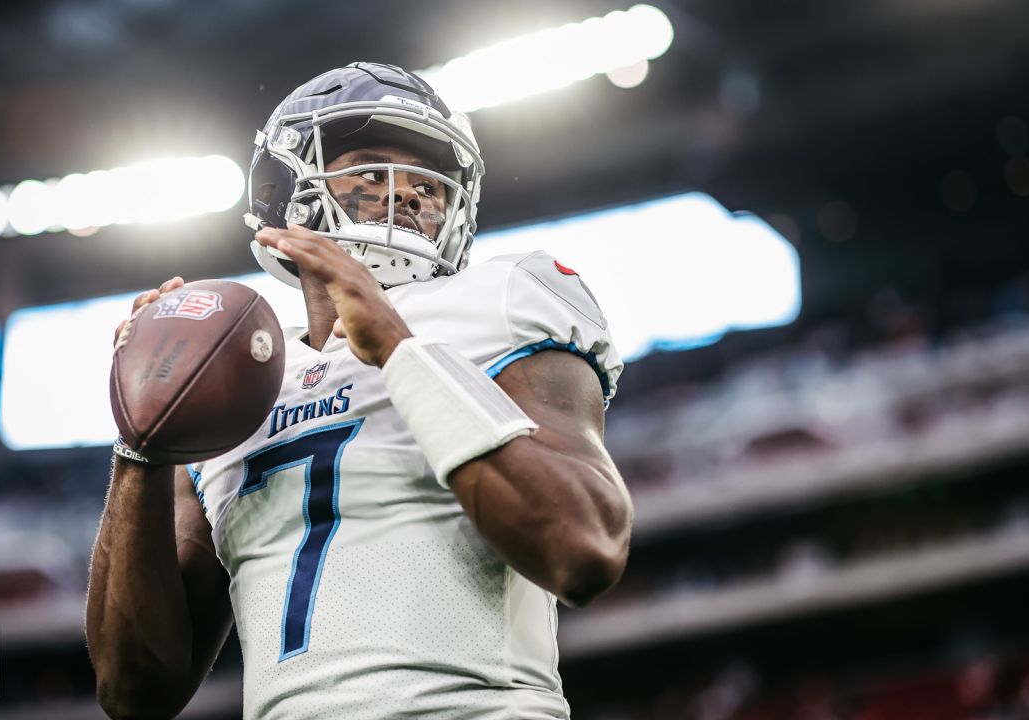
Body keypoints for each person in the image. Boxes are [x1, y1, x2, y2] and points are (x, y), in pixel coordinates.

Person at [86, 61, 633, 719]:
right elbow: (132, 693)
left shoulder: (499, 298)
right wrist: (139, 440)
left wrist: (401, 351)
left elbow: (585, 550)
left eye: (430, 185)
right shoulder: (231, 374)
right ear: (286, 192)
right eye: (371, 173)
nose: (407, 196)